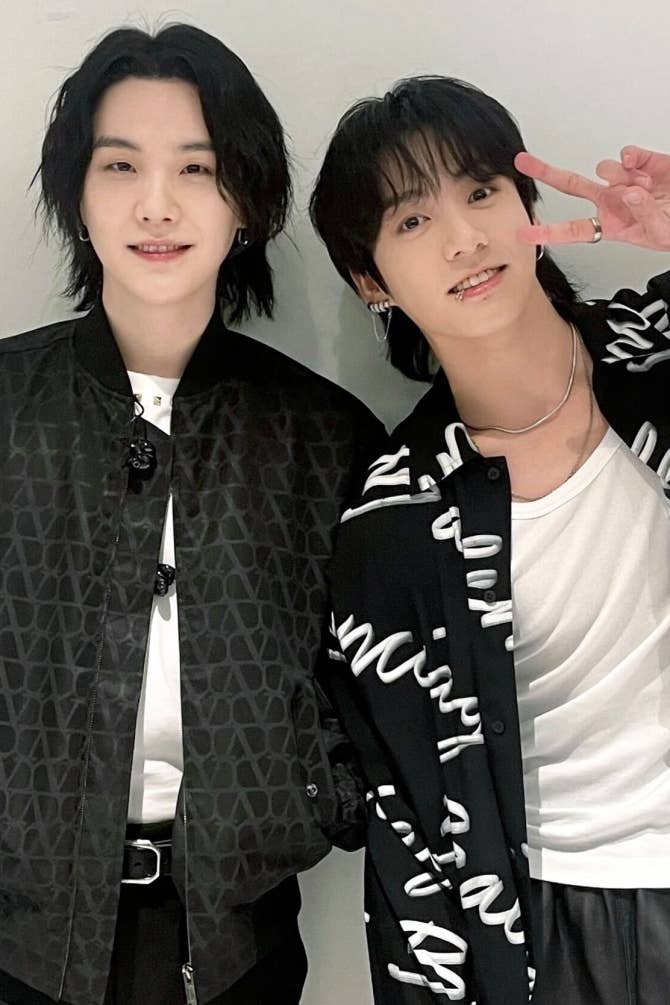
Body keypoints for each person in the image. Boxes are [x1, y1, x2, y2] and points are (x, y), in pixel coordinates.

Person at [0, 24, 384, 1005]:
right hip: (18, 944)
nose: (157, 204)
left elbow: (373, 680)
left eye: (198, 168)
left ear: (247, 203)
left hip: (236, 950)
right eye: (120, 164)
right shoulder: (9, 404)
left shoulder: (323, 436)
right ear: (77, 196)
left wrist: (312, 800)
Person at [310, 75, 670, 1003]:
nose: (464, 237)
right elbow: (411, 819)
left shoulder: (660, 351)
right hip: (564, 920)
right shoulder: (393, 522)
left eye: (480, 191)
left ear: (526, 204)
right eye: (412, 219)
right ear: (371, 280)